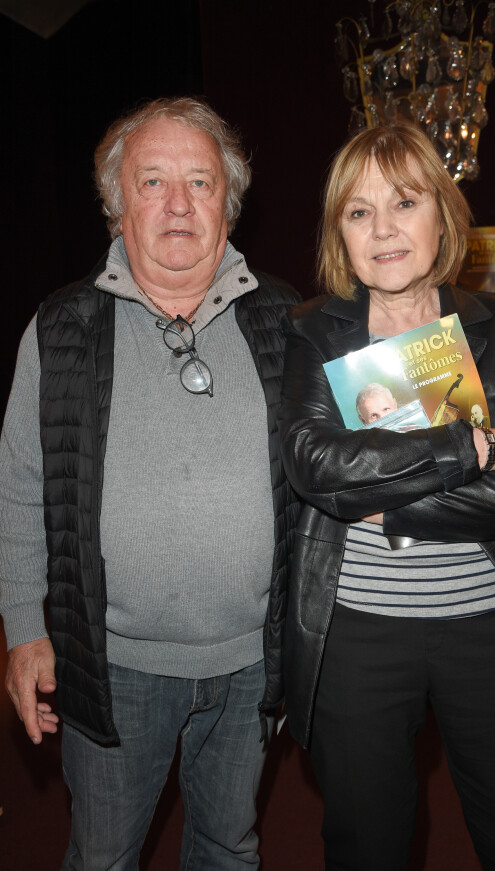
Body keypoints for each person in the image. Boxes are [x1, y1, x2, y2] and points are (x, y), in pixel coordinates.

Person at [0, 96, 300, 870]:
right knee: (101, 856)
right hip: (112, 666)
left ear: (227, 206)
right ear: (116, 203)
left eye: (199, 183)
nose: (177, 203)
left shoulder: (291, 321)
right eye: (152, 181)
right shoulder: (59, 328)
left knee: (228, 847)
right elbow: (21, 486)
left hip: (254, 665)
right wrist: (25, 630)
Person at [278, 123, 495, 871]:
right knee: (365, 846)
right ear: (338, 234)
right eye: (358, 211)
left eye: (404, 202)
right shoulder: (313, 331)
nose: (382, 228)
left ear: (441, 216)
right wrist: (470, 448)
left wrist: (395, 505)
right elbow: (316, 464)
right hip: (357, 635)